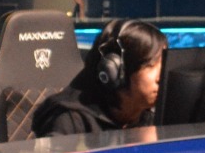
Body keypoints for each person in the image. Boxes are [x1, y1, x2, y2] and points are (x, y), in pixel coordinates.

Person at [30, 18, 167, 136]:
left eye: (163, 64)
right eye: (150, 66)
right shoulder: (70, 121)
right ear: (115, 71)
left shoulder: (152, 117)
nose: (161, 77)